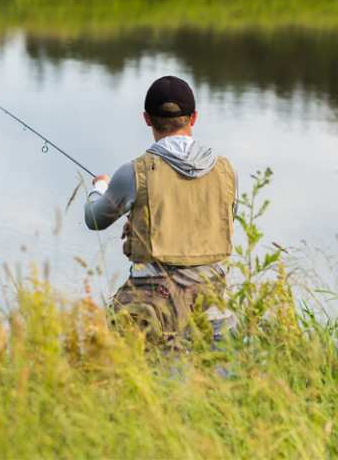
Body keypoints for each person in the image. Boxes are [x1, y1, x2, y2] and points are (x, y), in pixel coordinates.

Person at [85, 76, 237, 349]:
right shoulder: (225, 170)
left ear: (146, 119)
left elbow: (94, 220)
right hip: (213, 305)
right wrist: (144, 223)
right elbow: (218, 221)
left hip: (152, 312)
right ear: (194, 118)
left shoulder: (135, 172)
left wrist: (99, 188)